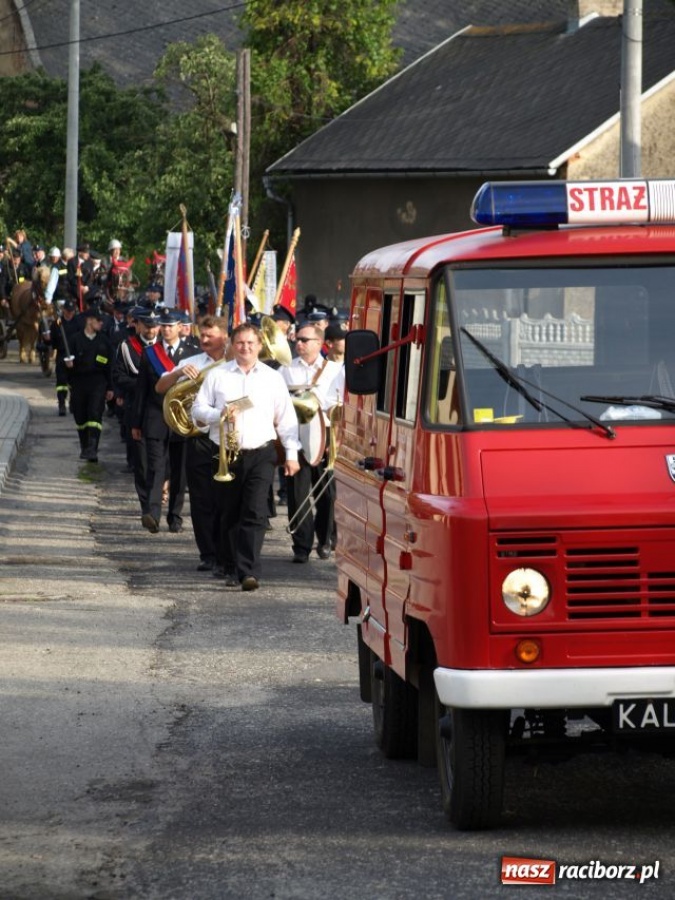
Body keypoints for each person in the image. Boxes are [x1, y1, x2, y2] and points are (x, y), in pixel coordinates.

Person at [192, 323, 301, 591]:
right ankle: (229, 565)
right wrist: (219, 414)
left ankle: (248, 571)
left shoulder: (272, 378)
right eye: (240, 343)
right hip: (226, 453)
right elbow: (198, 408)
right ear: (231, 344)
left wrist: (291, 454)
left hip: (261, 452)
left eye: (251, 343)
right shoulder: (217, 375)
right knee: (228, 513)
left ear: (260, 346)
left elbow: (286, 418)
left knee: (254, 511)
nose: (245, 348)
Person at [156, 315, 229, 573]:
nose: (204, 340)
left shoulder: (233, 364)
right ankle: (207, 553)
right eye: (202, 335)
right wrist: (177, 372)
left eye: (210, 335)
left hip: (227, 439)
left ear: (224, 336)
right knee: (200, 500)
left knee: (226, 499)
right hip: (198, 438)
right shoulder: (191, 362)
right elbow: (161, 387)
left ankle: (224, 554)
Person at [131, 309, 197, 534]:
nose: (167, 329)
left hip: (182, 420)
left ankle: (175, 516)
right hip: (155, 417)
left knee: (179, 471)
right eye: (164, 325)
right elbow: (141, 390)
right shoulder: (150, 353)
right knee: (156, 468)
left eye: (171, 325)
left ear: (180, 327)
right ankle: (153, 513)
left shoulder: (193, 353)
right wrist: (136, 423)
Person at [280, 323, 342, 562]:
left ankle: (325, 539)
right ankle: (301, 546)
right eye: (297, 339)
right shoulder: (285, 369)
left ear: (319, 343)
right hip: (295, 435)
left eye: (305, 340)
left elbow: (342, 404)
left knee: (327, 494)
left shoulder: (335, 370)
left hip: (325, 436)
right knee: (298, 494)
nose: (299, 343)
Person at [113, 307, 160, 486]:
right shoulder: (126, 347)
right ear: (137, 325)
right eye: (147, 326)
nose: (151, 330)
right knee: (140, 459)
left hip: (159, 409)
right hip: (135, 406)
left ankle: (157, 491)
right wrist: (140, 386)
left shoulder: (163, 347)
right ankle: (146, 500)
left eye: (154, 326)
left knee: (159, 458)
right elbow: (118, 375)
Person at [65, 304, 114, 462]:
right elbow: (63, 362)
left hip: (98, 383)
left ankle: (93, 448)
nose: (101, 324)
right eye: (99, 321)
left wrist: (111, 387)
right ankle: (85, 445)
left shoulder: (104, 341)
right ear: (89, 321)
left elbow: (110, 366)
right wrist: (68, 366)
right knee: (80, 416)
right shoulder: (75, 339)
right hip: (79, 382)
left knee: (95, 413)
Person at [49, 298, 80, 416]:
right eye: (68, 311)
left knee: (74, 381)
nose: (69, 313)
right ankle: (61, 403)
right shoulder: (57, 323)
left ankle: (73, 403)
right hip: (62, 355)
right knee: (61, 381)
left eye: (71, 311)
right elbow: (52, 341)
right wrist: (49, 342)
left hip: (74, 355)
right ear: (64, 310)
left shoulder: (78, 322)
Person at [67, 242, 94, 307]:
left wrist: (87, 286)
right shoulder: (72, 262)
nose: (88, 255)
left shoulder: (90, 263)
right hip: (75, 288)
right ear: (80, 253)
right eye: (86, 253)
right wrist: (79, 286)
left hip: (86, 288)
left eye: (88, 253)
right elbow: (70, 277)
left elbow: (91, 277)